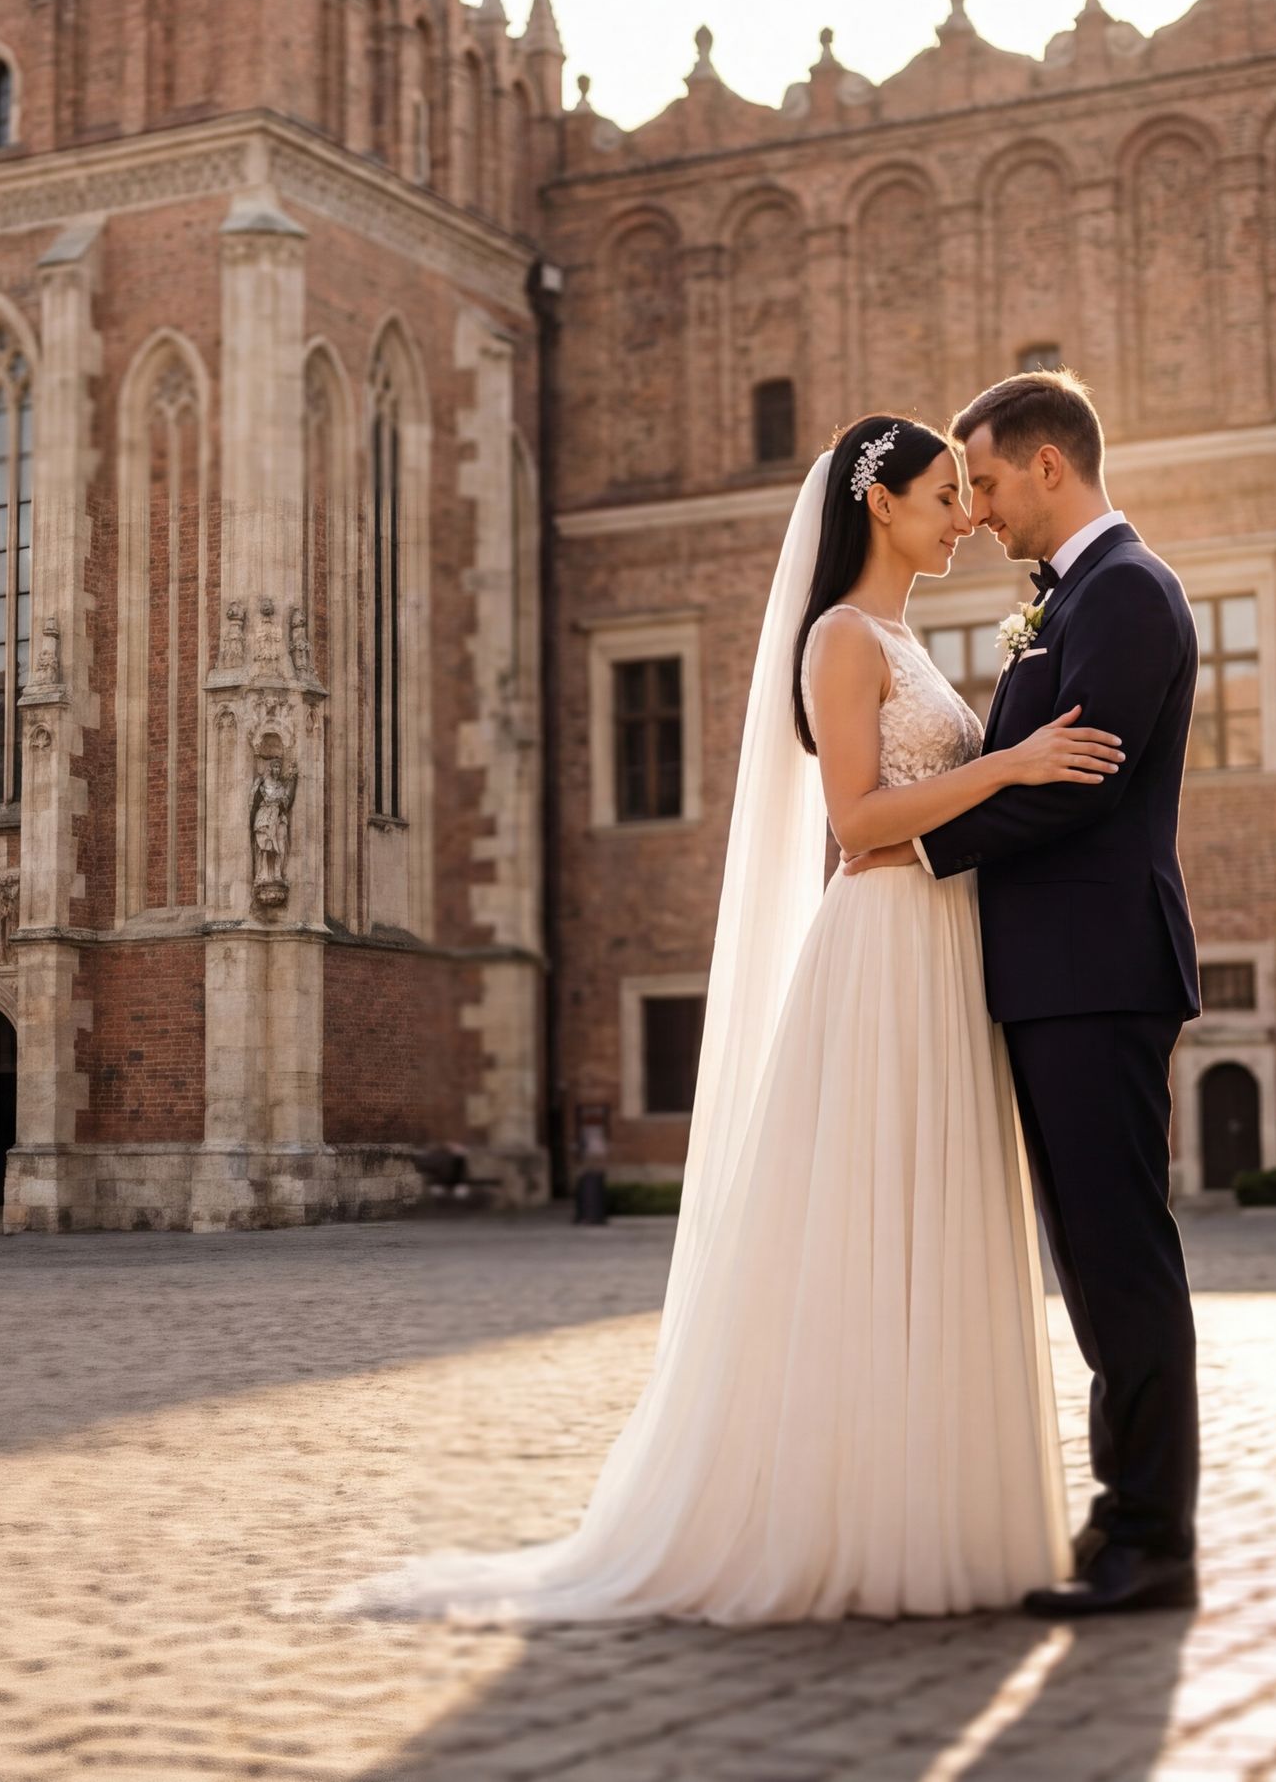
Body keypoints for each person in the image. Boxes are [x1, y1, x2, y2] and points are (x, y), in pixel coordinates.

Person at [348, 415, 1123, 1624]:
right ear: (879, 506)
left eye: (970, 495)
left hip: (943, 949)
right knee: (870, 1229)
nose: (964, 514)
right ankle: (843, 1518)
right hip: (882, 952)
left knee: (937, 1221)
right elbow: (860, 821)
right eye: (942, 495)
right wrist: (1011, 769)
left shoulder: (905, 638)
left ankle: (934, 1513)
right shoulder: (839, 638)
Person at [848, 368, 1207, 1617]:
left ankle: (1150, 1539)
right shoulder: (1072, 599)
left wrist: (923, 848)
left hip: (1099, 974)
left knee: (1119, 1261)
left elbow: (1079, 786)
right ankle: (1129, 1524)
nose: (980, 510)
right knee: (1094, 1259)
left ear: (1050, 465)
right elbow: (1027, 768)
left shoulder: (1129, 595)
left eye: (988, 482)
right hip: (1055, 977)